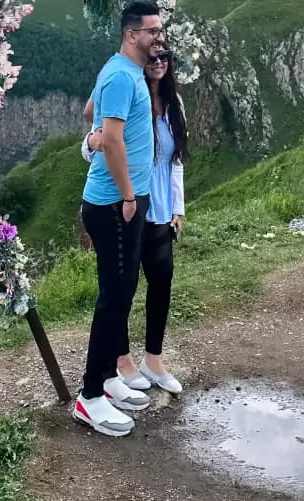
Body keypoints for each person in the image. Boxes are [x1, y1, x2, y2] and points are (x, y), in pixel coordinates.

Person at [73, 1, 165, 437]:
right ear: (132, 35)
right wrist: (129, 195)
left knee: (122, 290)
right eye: (152, 31)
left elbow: (90, 111)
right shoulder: (120, 76)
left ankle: (109, 378)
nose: (158, 38)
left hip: (127, 199)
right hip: (114, 203)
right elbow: (111, 140)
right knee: (114, 295)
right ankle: (89, 396)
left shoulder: (125, 72)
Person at [83, 44, 187, 396]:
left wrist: (178, 207)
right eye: (152, 57)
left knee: (161, 280)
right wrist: (92, 141)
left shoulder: (174, 105)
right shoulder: (127, 91)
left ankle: (153, 359)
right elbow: (97, 140)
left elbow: (176, 161)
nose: (158, 63)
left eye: (164, 57)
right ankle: (121, 360)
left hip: (160, 205)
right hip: (130, 200)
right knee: (122, 285)